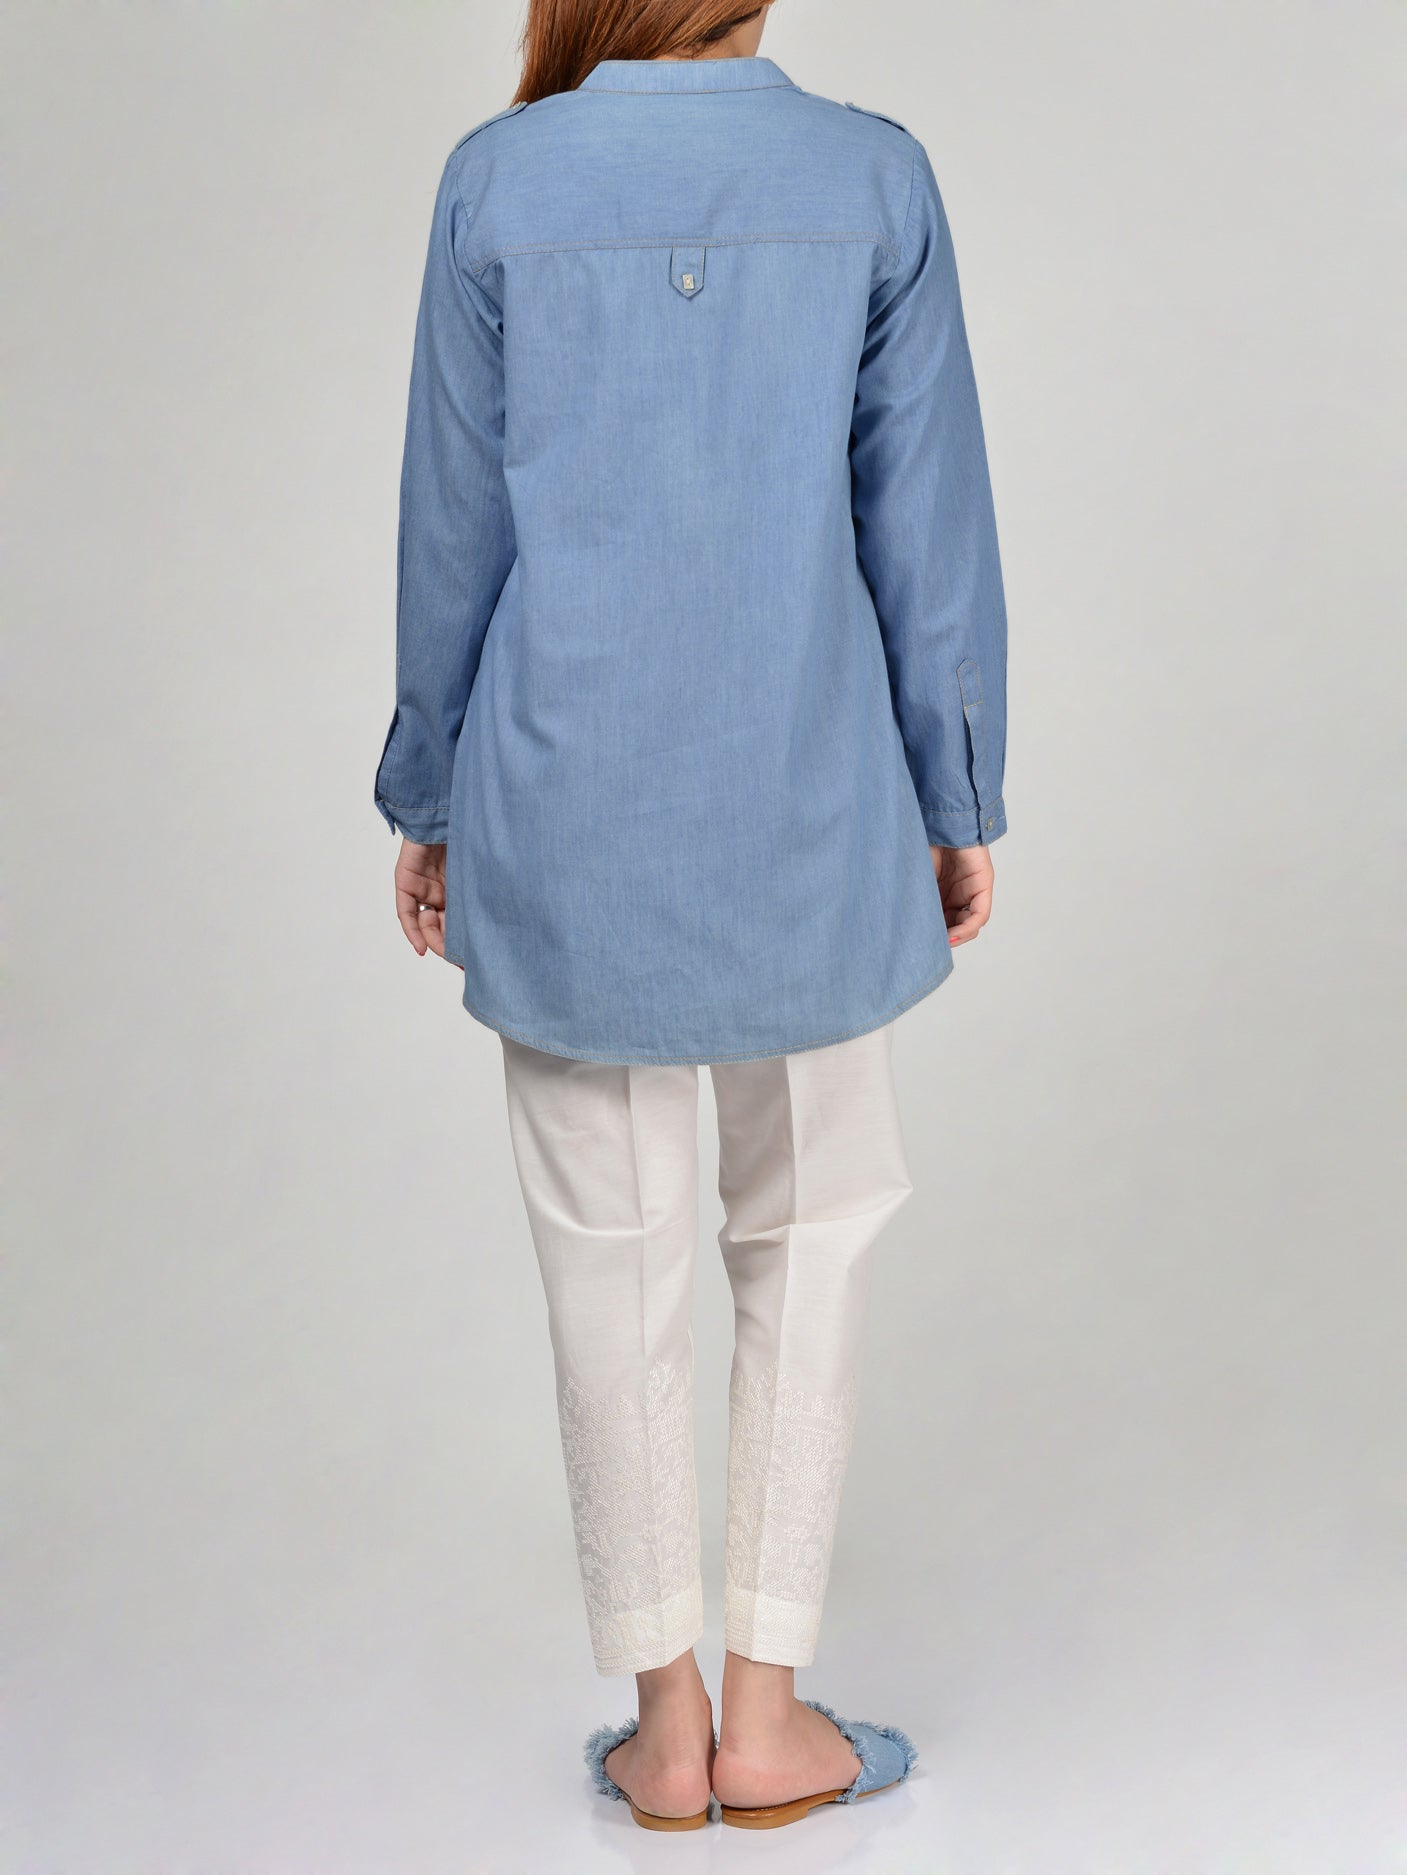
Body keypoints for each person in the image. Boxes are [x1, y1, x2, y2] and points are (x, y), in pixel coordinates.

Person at [373, 0, 1008, 1833]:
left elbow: (452, 532)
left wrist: (428, 792)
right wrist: (955, 795)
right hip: (814, 801)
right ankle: (771, 1716)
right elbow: (926, 527)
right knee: (814, 1229)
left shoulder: (495, 185)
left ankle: (665, 1731)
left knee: (607, 1252)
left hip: (564, 806)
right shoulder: (874, 179)